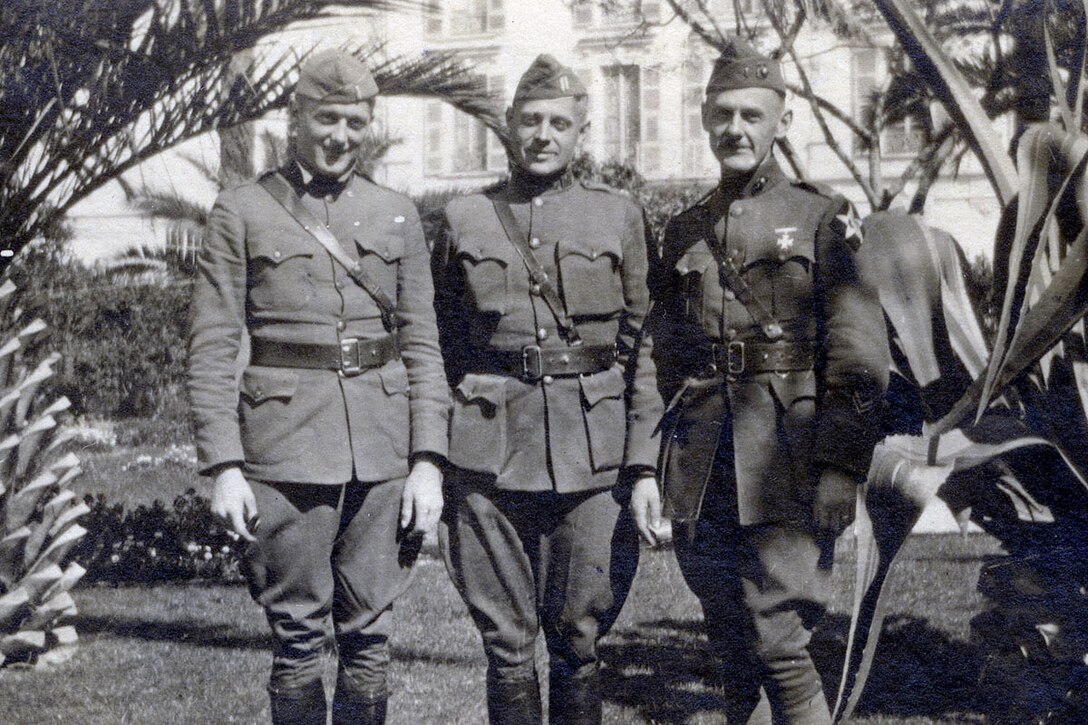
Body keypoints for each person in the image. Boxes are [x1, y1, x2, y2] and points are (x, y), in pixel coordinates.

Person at [630, 37, 889, 724]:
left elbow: (858, 350)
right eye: (722, 114)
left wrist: (841, 466)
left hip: (789, 453)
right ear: (705, 119)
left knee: (779, 636)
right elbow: (663, 354)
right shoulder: (685, 227)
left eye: (751, 114)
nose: (735, 129)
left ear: (781, 122)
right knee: (730, 631)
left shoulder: (822, 216)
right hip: (704, 458)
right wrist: (647, 467)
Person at [188, 49, 448, 725]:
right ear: (293, 118)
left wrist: (427, 461)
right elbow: (213, 344)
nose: (341, 136)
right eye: (327, 118)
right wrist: (224, 465)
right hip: (284, 449)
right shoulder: (241, 210)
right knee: (297, 637)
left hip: (383, 451)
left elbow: (422, 341)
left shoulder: (395, 212)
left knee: (370, 636)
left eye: (355, 122)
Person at [431, 55, 662, 725]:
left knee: (578, 636)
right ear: (508, 127)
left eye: (559, 122)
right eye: (530, 120)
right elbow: (443, 339)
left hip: (592, 449)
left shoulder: (618, 216)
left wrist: (642, 457)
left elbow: (643, 343)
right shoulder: (466, 217)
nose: (543, 134)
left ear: (582, 132)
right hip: (489, 446)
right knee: (506, 641)